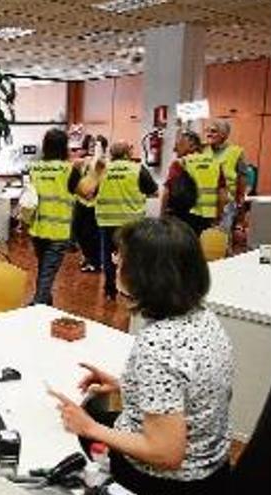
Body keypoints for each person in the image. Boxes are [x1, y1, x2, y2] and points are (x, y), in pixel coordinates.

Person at [50, 217, 233, 494]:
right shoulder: (202, 317)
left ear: (146, 275)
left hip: (164, 480)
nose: (115, 263)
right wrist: (131, 385)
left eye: (120, 258)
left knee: (59, 437)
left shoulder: (158, 345)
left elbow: (166, 454)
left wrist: (90, 428)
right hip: (211, 471)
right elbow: (187, 391)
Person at [94, 141, 158, 300]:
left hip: (107, 220)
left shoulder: (101, 170)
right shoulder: (137, 169)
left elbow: (90, 192)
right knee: (132, 255)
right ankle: (131, 288)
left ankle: (110, 290)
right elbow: (155, 192)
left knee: (108, 255)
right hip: (132, 222)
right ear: (127, 153)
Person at [28, 128, 82, 306]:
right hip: (58, 232)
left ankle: (45, 304)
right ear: (64, 147)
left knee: (44, 270)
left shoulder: (35, 169)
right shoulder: (69, 170)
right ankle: (37, 308)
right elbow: (87, 193)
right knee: (47, 273)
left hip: (37, 229)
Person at [162, 130, 224, 236]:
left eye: (179, 144)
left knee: (183, 247)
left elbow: (167, 192)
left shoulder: (181, 163)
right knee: (201, 247)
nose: (175, 149)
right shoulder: (216, 164)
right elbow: (222, 195)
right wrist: (218, 216)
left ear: (192, 145)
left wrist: (162, 215)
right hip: (208, 218)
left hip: (184, 216)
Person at [204, 120, 248, 234]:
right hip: (204, 204)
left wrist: (240, 205)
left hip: (226, 204)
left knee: (220, 238)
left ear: (224, 134)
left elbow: (242, 180)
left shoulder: (237, 152)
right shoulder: (203, 150)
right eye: (207, 131)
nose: (208, 134)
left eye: (213, 131)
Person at [72, 135, 108, 273]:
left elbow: (100, 174)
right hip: (81, 201)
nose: (93, 148)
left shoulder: (103, 163)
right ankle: (88, 257)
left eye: (97, 145)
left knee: (91, 234)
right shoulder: (84, 162)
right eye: (91, 145)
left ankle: (95, 261)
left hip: (95, 204)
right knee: (78, 231)